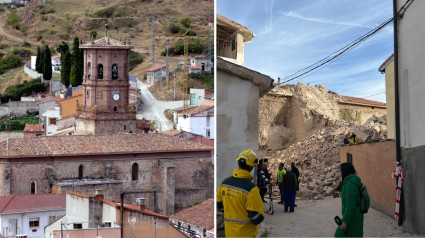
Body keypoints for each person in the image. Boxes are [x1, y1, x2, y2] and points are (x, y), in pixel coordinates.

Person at [217, 149, 265, 237]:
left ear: (238, 163)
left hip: (229, 233)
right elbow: (256, 218)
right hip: (246, 234)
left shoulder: (224, 184)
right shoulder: (251, 189)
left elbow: (219, 206)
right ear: (252, 167)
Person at [335, 163, 364, 237]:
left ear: (345, 171)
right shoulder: (352, 181)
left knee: (338, 235)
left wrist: (345, 221)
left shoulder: (350, 185)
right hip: (357, 216)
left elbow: (350, 205)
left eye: (340, 171)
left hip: (352, 218)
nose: (340, 173)